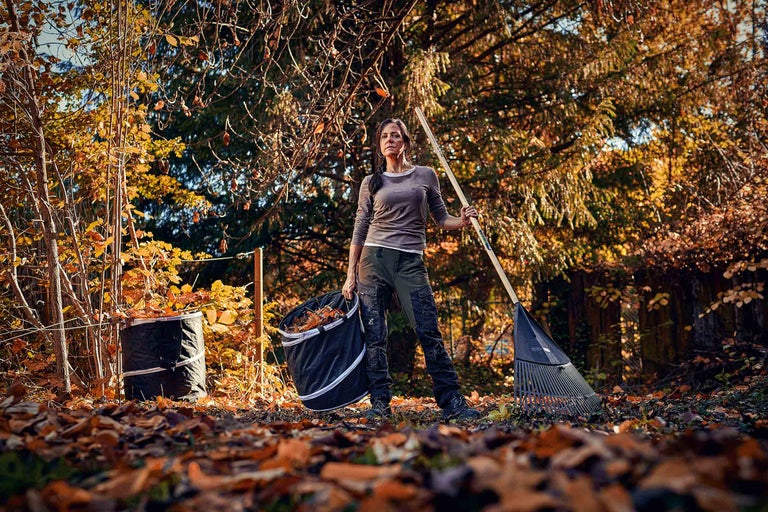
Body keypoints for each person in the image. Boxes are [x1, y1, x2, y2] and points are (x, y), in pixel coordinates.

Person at [342, 118, 482, 421]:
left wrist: (463, 222)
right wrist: (351, 272)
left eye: (395, 135)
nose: (389, 140)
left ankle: (451, 402)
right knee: (375, 335)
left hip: (410, 262)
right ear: (380, 146)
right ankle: (380, 402)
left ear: (405, 142)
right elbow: (360, 226)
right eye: (384, 137)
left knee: (428, 330)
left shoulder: (425, 175)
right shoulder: (372, 182)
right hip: (373, 260)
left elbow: (441, 218)